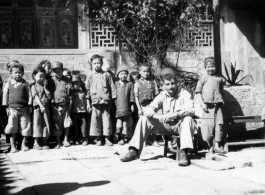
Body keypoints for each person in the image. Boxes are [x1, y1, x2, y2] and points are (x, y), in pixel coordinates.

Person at [120, 68, 197, 166]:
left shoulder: (184, 94)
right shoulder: (162, 95)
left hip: (180, 126)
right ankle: (134, 150)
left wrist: (175, 114)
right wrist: (158, 116)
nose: (171, 87)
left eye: (173, 83)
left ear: (177, 83)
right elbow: (148, 109)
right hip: (166, 126)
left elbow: (191, 110)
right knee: (144, 119)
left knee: (188, 119)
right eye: (167, 84)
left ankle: (184, 152)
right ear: (163, 85)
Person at [195, 57, 226, 154]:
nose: (211, 68)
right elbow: (198, 92)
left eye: (212, 66)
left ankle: (217, 145)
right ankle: (209, 147)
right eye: (208, 66)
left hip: (218, 106)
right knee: (207, 126)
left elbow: (222, 91)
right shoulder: (203, 78)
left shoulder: (219, 79)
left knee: (219, 125)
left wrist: (219, 99)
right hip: (207, 106)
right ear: (205, 67)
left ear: (216, 67)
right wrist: (202, 104)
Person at [85, 54, 116, 146]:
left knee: (106, 119)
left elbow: (112, 87)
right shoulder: (90, 76)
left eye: (98, 63)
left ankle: (107, 138)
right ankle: (98, 138)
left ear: (102, 64)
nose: (97, 65)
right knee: (95, 120)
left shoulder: (107, 75)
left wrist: (113, 100)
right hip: (95, 102)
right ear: (91, 64)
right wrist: (88, 103)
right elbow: (87, 90)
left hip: (106, 102)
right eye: (94, 63)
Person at [2, 62, 32, 153]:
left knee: (25, 127)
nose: (18, 74)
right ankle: (13, 146)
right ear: (11, 73)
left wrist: (29, 105)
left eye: (20, 72)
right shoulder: (8, 83)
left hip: (24, 109)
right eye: (16, 72)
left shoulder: (25, 83)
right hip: (12, 109)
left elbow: (30, 95)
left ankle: (23, 145)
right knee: (12, 127)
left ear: (23, 73)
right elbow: (5, 94)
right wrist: (6, 106)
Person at [48, 61, 72, 149]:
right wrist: (53, 105)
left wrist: (69, 90)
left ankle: (65, 140)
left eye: (59, 70)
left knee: (66, 123)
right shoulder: (51, 81)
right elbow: (50, 93)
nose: (57, 73)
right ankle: (57, 141)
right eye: (55, 71)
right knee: (57, 124)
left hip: (66, 104)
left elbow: (70, 93)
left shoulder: (67, 80)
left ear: (62, 70)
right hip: (57, 106)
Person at [134, 64, 160, 147]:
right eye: (144, 71)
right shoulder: (137, 83)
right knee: (144, 122)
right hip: (143, 106)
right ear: (140, 72)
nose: (146, 73)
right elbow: (136, 97)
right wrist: (139, 109)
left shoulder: (153, 82)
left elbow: (157, 95)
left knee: (154, 123)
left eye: (148, 71)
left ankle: (154, 140)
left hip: (152, 106)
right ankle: (143, 141)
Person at [31, 67, 51, 150]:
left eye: (43, 76)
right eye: (40, 76)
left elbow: (49, 97)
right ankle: (36, 143)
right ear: (34, 76)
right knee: (37, 124)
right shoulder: (33, 85)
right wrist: (41, 106)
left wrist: (46, 87)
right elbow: (35, 96)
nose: (42, 78)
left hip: (45, 107)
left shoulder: (45, 86)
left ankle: (44, 141)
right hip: (38, 108)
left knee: (45, 124)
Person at [114, 66, 135, 145]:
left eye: (125, 74)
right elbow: (113, 95)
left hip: (127, 107)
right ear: (118, 75)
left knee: (127, 124)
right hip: (118, 107)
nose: (123, 75)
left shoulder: (130, 84)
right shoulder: (116, 84)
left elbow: (132, 95)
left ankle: (128, 137)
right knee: (119, 124)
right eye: (121, 74)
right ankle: (120, 138)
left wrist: (132, 104)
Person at [71, 75, 89, 146]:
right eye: (74, 83)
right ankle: (76, 139)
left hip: (82, 112)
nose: (76, 85)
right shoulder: (71, 93)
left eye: (78, 83)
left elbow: (86, 100)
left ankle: (84, 139)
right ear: (72, 84)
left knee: (83, 126)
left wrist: (88, 106)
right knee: (75, 126)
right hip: (74, 112)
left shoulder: (83, 92)